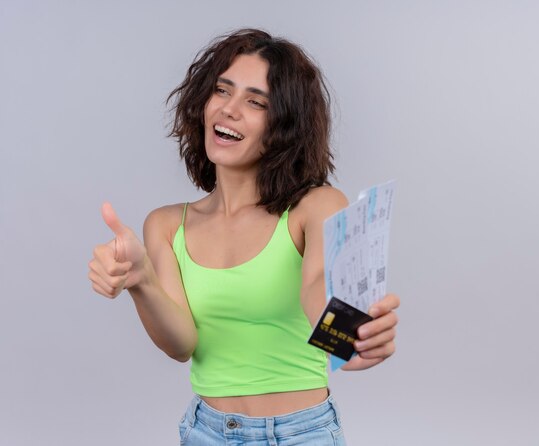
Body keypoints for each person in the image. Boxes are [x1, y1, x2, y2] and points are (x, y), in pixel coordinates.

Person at [88, 28, 399, 445]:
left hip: (301, 434)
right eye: (222, 90)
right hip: (206, 432)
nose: (229, 110)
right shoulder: (165, 225)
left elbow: (319, 286)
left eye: (256, 102)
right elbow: (182, 345)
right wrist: (140, 280)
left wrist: (352, 335)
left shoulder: (317, 206)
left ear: (284, 125)